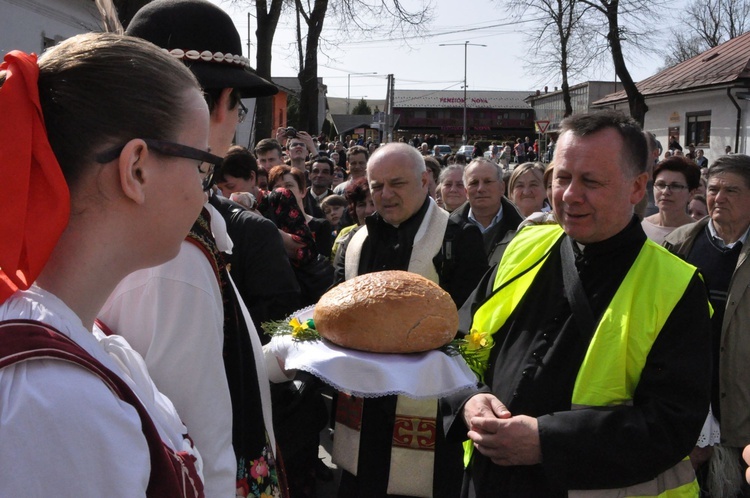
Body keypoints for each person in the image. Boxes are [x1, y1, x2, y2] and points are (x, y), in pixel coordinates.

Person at [444, 110, 712, 497]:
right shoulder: (523, 248)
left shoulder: (677, 286)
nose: (569, 195)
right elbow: (460, 340)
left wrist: (546, 440)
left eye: (591, 181)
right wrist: (469, 399)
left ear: (638, 188)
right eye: (563, 178)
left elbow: (672, 424)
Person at [0, 32, 209, 496]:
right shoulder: (56, 400)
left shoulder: (81, 339)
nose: (203, 190)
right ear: (137, 168)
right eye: (201, 164)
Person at [97, 1, 293, 496]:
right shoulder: (172, 257)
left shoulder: (170, 228)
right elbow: (196, 456)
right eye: (240, 106)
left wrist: (277, 356)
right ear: (222, 102)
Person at [332, 143, 488, 498]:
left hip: (426, 406)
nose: (385, 195)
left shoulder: (457, 237)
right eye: (376, 186)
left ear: (424, 181)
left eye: (397, 184)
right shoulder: (357, 241)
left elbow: (468, 323)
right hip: (365, 401)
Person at [664, 154, 750, 497]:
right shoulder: (678, 245)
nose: (719, 197)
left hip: (742, 407)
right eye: (713, 189)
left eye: (732, 190)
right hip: (687, 402)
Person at [450, 158, 524, 266]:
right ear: (466, 192)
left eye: (488, 182)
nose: (480, 188)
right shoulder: (449, 230)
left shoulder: (522, 229)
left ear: (502, 187)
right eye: (474, 183)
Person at [641, 156, 701, 244]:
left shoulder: (699, 233)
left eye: (675, 186)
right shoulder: (640, 228)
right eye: (660, 185)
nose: (665, 192)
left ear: (691, 193)